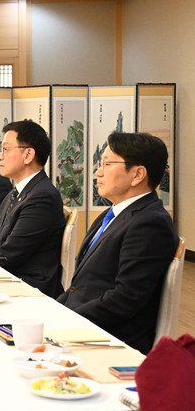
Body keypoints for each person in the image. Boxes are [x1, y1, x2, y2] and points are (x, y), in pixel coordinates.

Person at [58, 133, 177, 354]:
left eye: (107, 164)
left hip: (108, 339)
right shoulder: (112, 214)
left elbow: (125, 298)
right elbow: (80, 286)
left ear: (138, 174)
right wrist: (53, 310)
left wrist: (65, 319)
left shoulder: (150, 223)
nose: (98, 172)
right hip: (81, 324)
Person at [0, 120, 65, 298]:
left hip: (28, 286)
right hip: (8, 278)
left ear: (28, 155)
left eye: (6, 149)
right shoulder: (16, 193)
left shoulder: (43, 196)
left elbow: (12, 253)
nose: (0, 157)